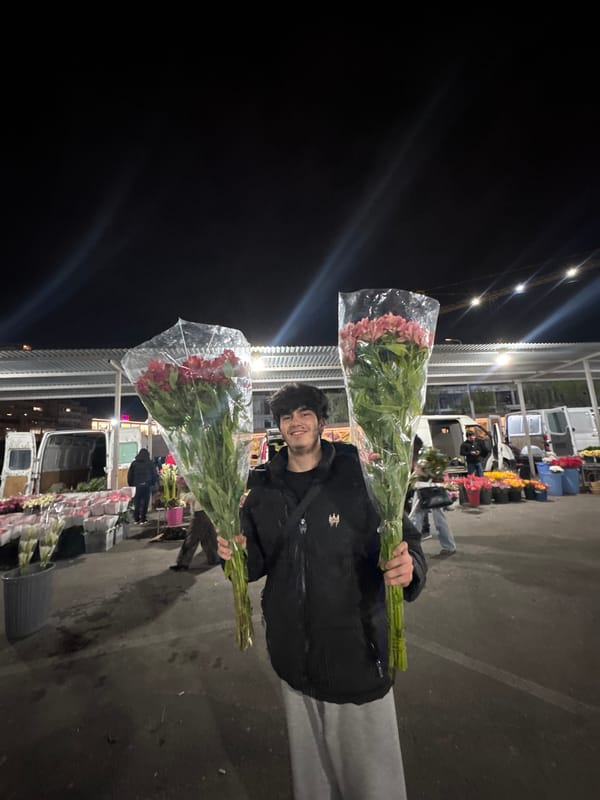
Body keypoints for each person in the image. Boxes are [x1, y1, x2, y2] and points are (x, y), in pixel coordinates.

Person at [217, 382, 427, 800]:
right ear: (278, 426)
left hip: (356, 651)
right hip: (293, 653)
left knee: (372, 782)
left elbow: (407, 540)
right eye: (286, 417)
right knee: (313, 781)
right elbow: (256, 563)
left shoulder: (360, 475)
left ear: (321, 421)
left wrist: (411, 568)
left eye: (304, 414)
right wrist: (232, 555)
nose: (295, 423)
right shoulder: (262, 487)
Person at [409, 437, 457, 556]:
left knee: (419, 520)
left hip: (426, 490)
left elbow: (426, 473)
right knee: (424, 519)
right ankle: (448, 546)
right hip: (428, 490)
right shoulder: (424, 456)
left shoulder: (423, 457)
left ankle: (413, 548)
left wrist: (417, 472)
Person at [170, 492, 220, 570]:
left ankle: (183, 563)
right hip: (206, 510)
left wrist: (183, 495)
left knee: (191, 537)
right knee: (208, 537)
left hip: (200, 512)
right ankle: (215, 558)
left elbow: (195, 495)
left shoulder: (200, 483)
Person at [127, 448, 158, 524]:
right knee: (145, 502)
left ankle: (136, 518)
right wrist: (152, 483)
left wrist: (131, 485)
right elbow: (154, 474)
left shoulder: (134, 463)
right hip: (147, 485)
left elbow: (130, 475)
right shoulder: (150, 463)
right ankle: (143, 518)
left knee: (137, 502)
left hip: (137, 486)